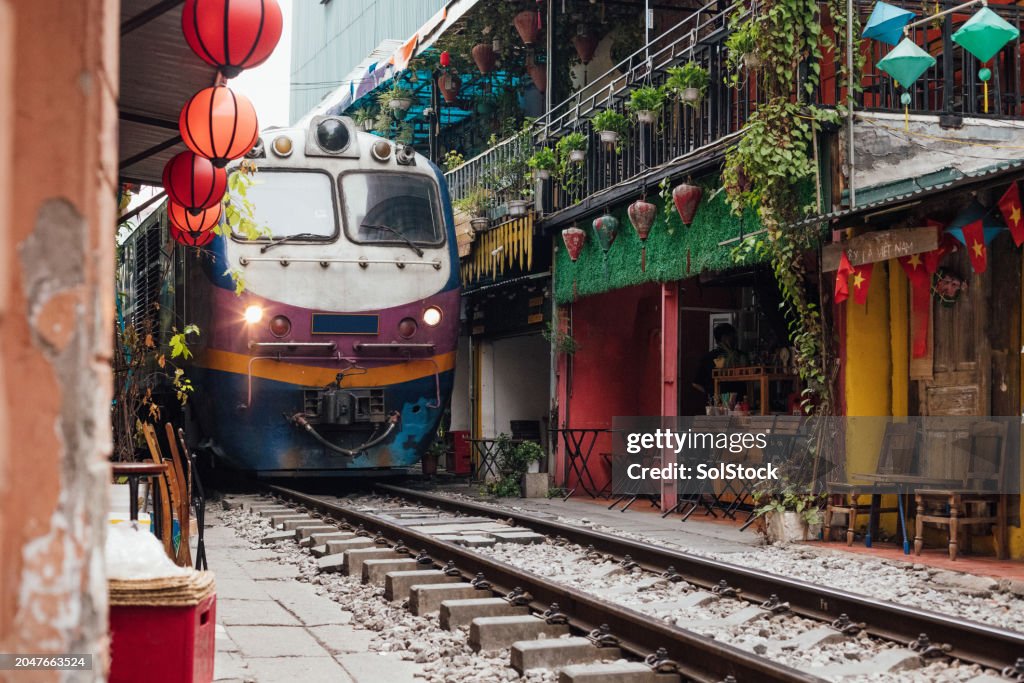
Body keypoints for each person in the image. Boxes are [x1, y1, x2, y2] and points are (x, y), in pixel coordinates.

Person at [692, 323, 744, 404]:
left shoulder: (740, 356)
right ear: (724, 338)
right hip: (720, 404)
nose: (736, 339)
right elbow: (696, 383)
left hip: (740, 402)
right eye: (733, 336)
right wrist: (711, 393)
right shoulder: (710, 357)